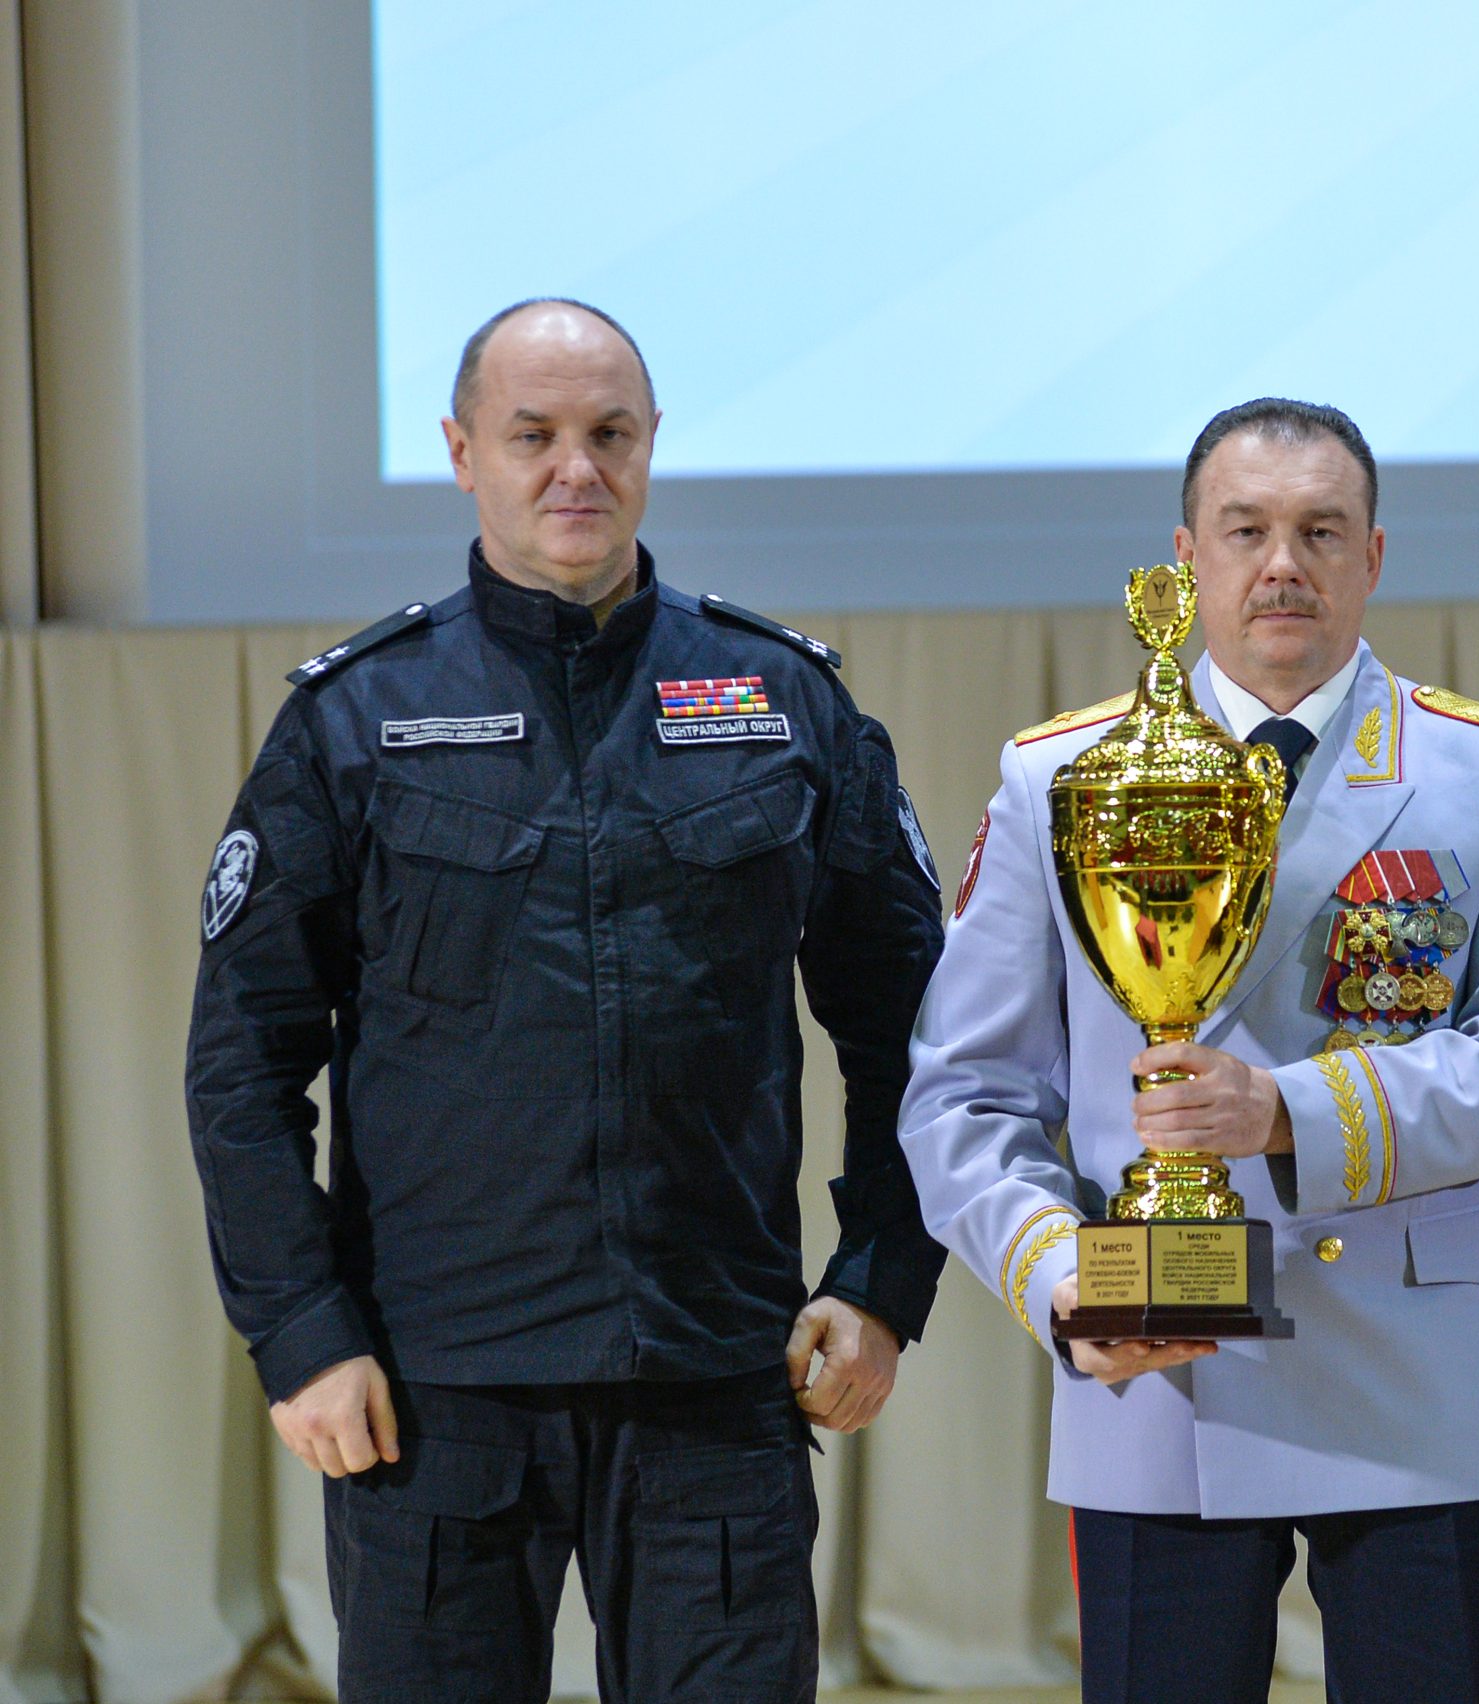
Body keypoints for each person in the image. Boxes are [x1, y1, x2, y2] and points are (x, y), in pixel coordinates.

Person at [183, 298, 946, 1702]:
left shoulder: (780, 700)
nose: (573, 469)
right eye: (532, 436)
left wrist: (883, 1281)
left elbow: (916, 1031)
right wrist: (304, 1336)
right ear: (463, 451)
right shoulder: (353, 719)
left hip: (717, 1380)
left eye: (609, 434)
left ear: (653, 447)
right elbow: (241, 1063)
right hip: (434, 1396)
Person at [900, 398, 1479, 1702]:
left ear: (1374, 559)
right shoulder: (1062, 780)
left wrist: (1286, 1111)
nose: (1282, 563)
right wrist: (1060, 1274)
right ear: (1187, 560)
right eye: (1247, 530)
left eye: (1319, 531)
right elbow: (964, 1096)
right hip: (1159, 1362)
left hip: (1420, 1385)